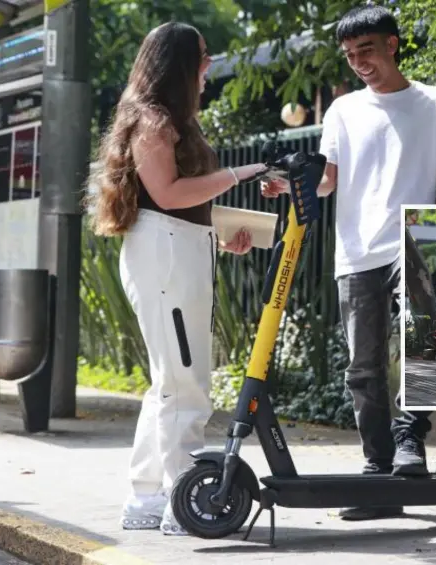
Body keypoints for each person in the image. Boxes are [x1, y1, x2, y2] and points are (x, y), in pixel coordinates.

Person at [261, 5, 436, 521]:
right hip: (354, 251)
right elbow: (328, 180)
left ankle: (409, 442)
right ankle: (380, 473)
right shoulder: (342, 112)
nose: (359, 63)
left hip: (410, 242)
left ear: (393, 45)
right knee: (362, 365)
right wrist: (291, 185)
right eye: (351, 55)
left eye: (368, 51)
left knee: (419, 343)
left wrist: (428, 234)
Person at [86, 22, 268, 536]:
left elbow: (177, 203)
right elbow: (167, 195)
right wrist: (242, 173)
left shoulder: (169, 122)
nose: (209, 66)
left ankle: (148, 498)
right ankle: (182, 502)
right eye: (203, 57)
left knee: (170, 383)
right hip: (165, 256)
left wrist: (222, 229)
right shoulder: (154, 121)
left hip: (175, 251)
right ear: (179, 65)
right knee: (185, 385)